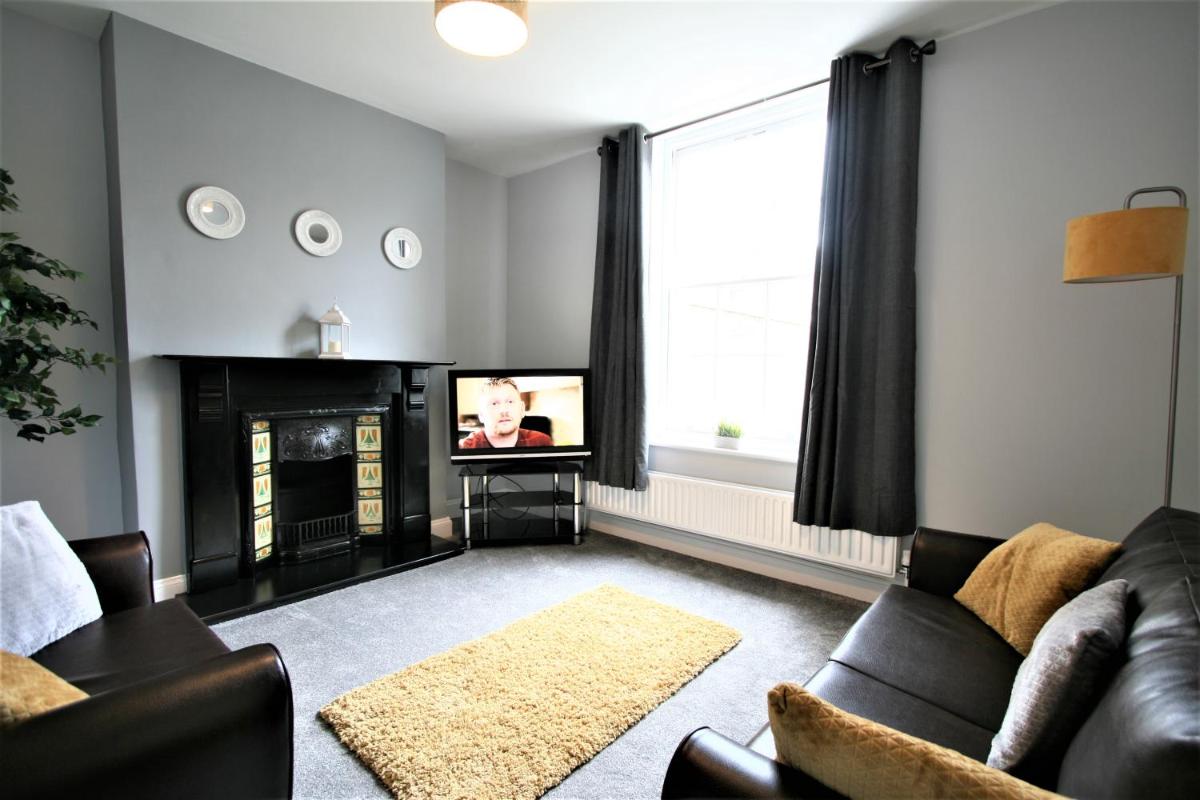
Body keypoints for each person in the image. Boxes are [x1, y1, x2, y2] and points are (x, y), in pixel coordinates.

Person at [459, 377, 553, 449]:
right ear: (481, 415)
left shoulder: (542, 442)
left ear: (522, 409)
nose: (503, 410)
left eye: (510, 402)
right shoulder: (465, 448)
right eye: (494, 403)